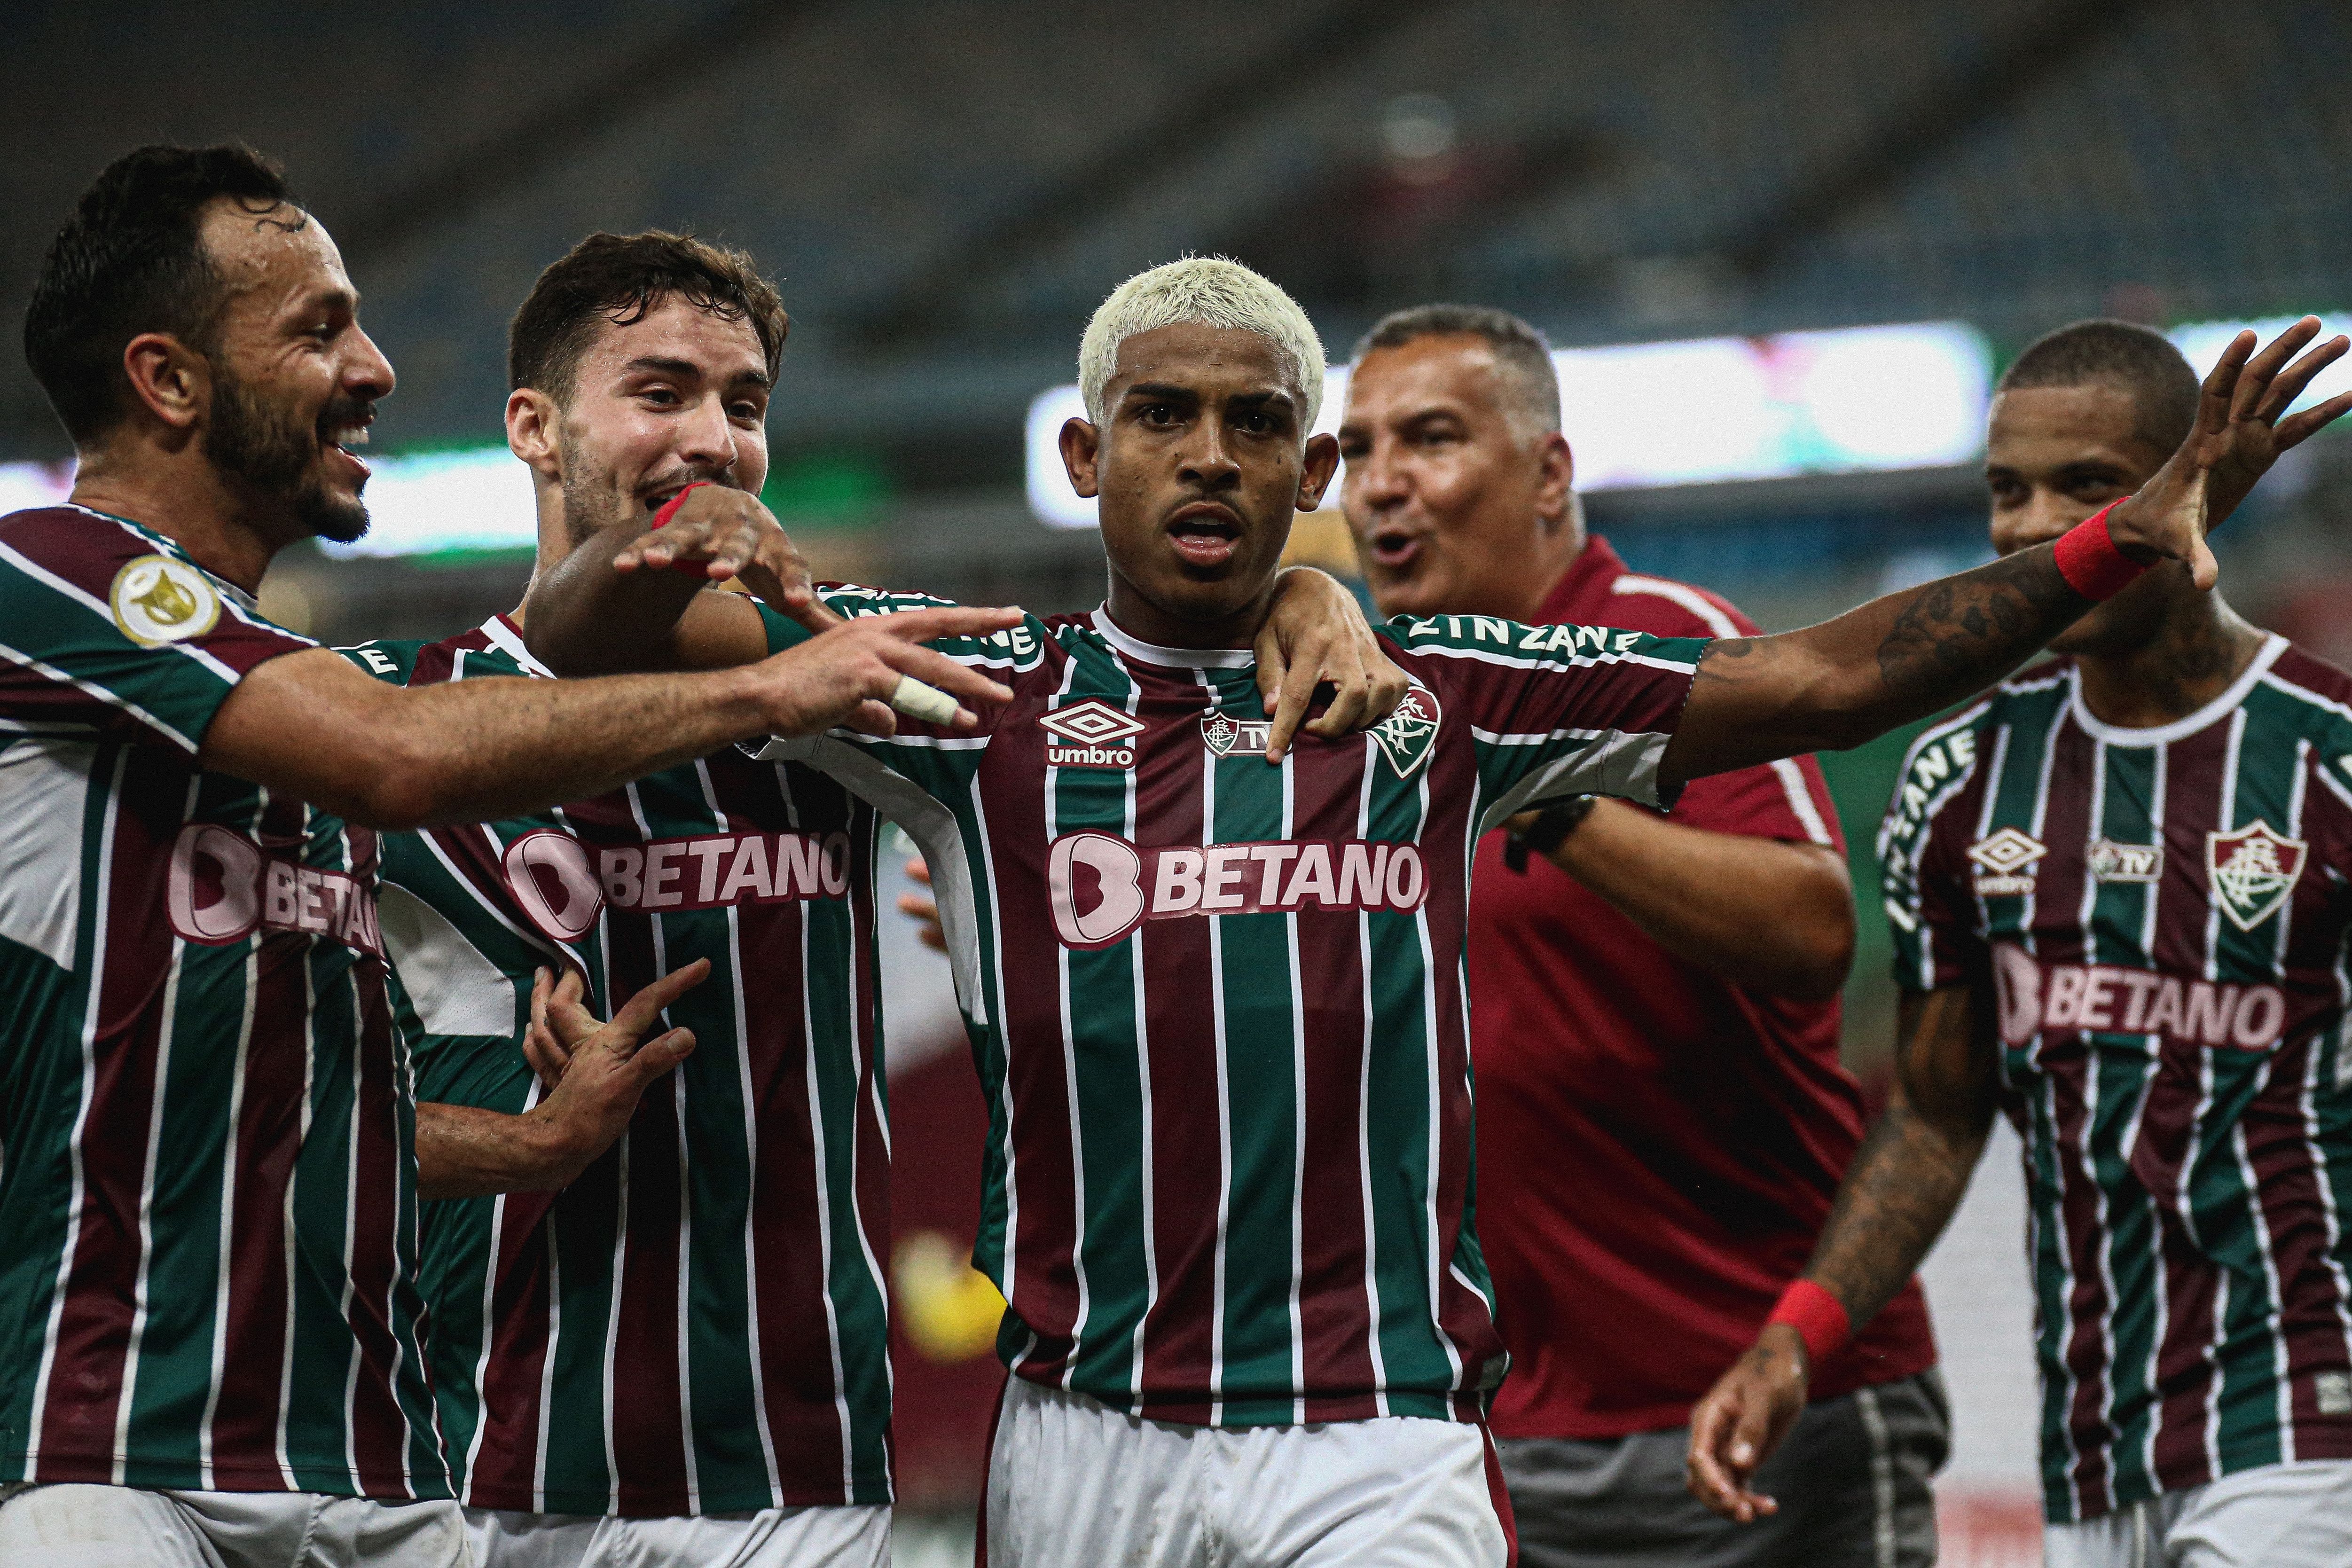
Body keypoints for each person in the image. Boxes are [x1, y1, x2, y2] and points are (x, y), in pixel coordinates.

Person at [522, 257, 2336, 1567]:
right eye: (1163, 418)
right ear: (1088, 462)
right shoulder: (966, 690)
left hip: (1375, 1435)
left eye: (1255, 426)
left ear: (1307, 482)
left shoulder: (1445, 689)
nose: (1210, 456)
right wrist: (697, 530)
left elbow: (1825, 684)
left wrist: (2116, 538)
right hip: (1078, 1435)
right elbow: (587, 637)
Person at [0, 145, 1023, 1568]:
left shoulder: (282, 726)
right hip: (125, 1448)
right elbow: (406, 755)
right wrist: (763, 689)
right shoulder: (71, 582)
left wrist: (531, 1144)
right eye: (316, 328)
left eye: (744, 405)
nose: (372, 365)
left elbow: (275, 1122)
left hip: (376, 1473)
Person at [337, 229, 1402, 1568]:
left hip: (803, 1481)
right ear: (535, 428)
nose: (714, 438)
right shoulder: (378, 722)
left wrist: (1305, 589)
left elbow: (1129, 673)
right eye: (660, 394)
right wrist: (519, 1148)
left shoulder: (847, 691)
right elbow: (243, 1108)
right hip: (463, 1476)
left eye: (744, 405)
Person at [1685, 319, 2352, 1568]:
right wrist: (1796, 1336)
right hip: (2092, 1438)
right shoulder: (1957, 776)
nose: (2029, 524)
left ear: (2182, 490)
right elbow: (1938, 1115)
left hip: (2309, 1410)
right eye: (2006, 489)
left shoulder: (2330, 759)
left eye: (2086, 486)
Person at [1335, 303, 1946, 1567]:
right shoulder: (1363, 695)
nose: (1383, 483)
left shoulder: (1662, 638)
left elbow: (1813, 924)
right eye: (1356, 451)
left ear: (1549, 473)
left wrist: (1543, 795)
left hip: (1766, 1399)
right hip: (1502, 1425)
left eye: (1431, 438)